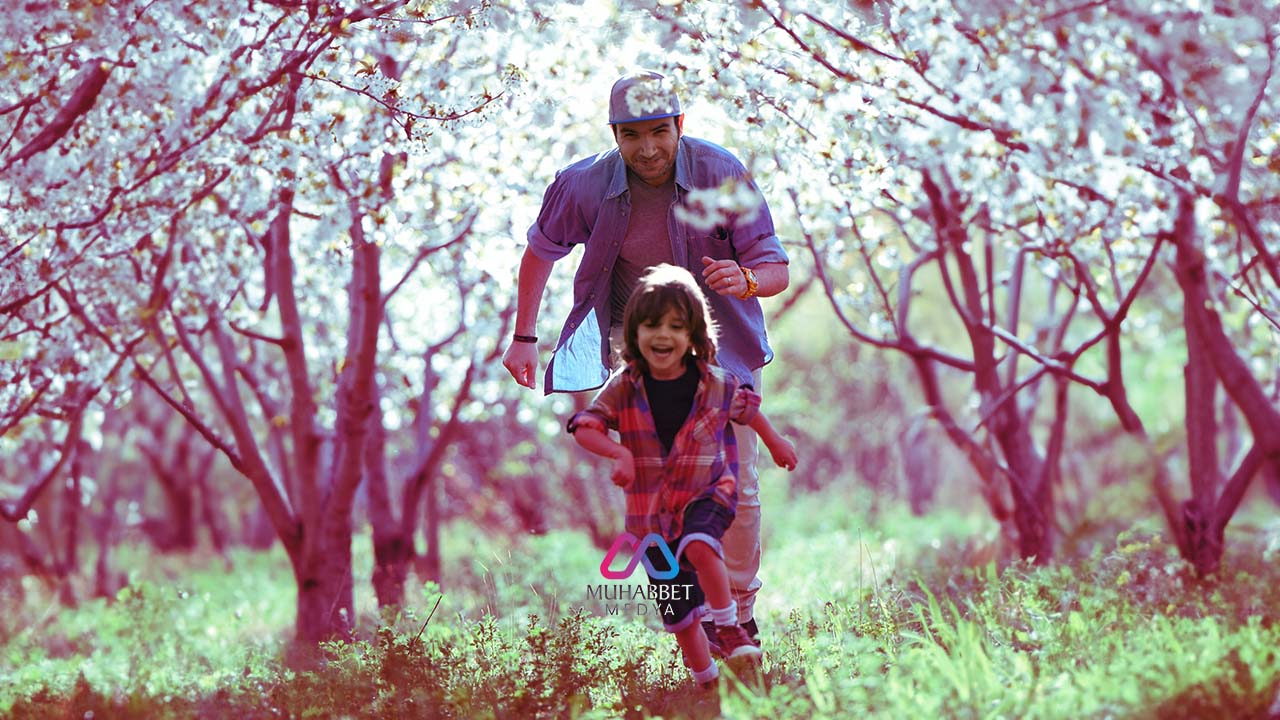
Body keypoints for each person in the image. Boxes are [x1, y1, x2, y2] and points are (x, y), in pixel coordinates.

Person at [502, 69, 789, 648]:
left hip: (721, 350)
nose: (648, 148)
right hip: (646, 358)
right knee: (660, 492)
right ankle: (691, 614)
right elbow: (539, 253)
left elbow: (776, 268)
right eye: (632, 136)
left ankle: (736, 611)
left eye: (660, 131)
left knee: (738, 484)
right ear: (614, 134)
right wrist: (524, 336)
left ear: (680, 125)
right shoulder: (582, 186)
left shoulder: (721, 174)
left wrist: (748, 280)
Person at [567, 265, 797, 688]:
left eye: (676, 326)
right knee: (679, 612)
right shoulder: (624, 386)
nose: (663, 335)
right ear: (634, 332)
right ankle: (705, 680)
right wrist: (617, 451)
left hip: (708, 492)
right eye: (652, 325)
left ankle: (729, 626)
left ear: (694, 334)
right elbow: (585, 425)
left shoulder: (714, 381)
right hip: (652, 517)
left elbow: (748, 408)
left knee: (700, 543)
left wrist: (777, 442)